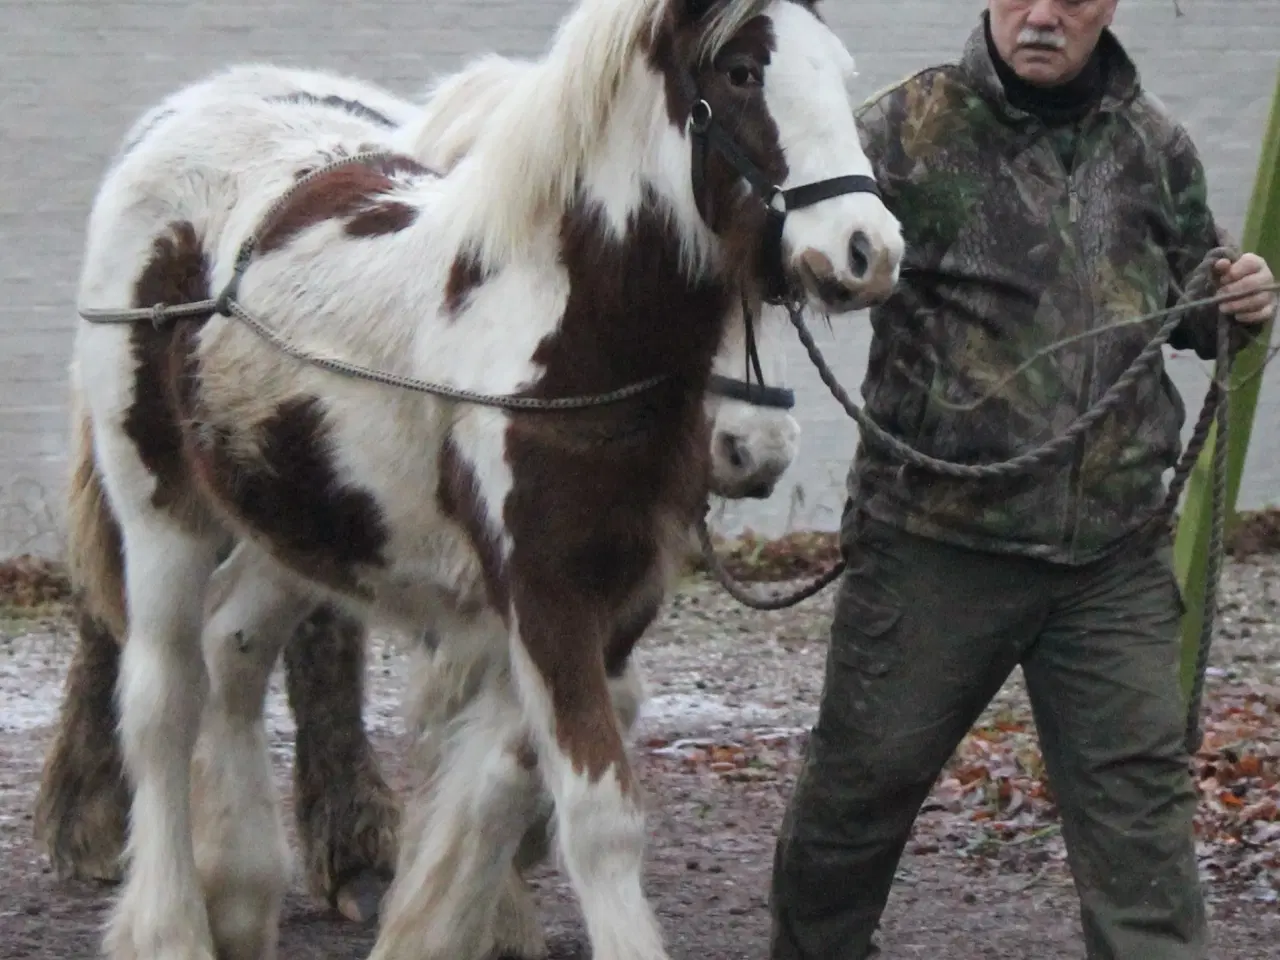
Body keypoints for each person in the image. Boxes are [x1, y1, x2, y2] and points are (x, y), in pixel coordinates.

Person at [767, 1, 1277, 958]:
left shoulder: (1154, 145)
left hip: (1110, 563)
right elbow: (788, 258)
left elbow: (1199, 311)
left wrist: (1238, 298)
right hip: (934, 545)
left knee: (1142, 823)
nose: (1044, 15)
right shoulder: (903, 128)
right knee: (856, 801)